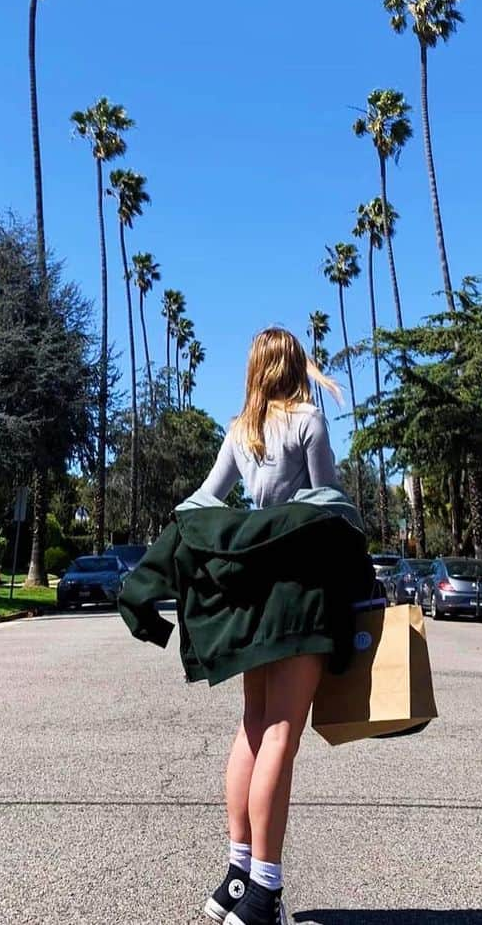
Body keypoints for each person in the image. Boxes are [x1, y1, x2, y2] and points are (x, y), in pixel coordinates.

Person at [194, 327, 347, 925]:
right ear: (293, 367)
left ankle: (235, 879)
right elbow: (328, 499)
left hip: (251, 594)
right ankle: (264, 894)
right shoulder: (307, 420)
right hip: (299, 590)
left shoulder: (241, 430)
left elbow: (205, 500)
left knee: (253, 730)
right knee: (282, 734)